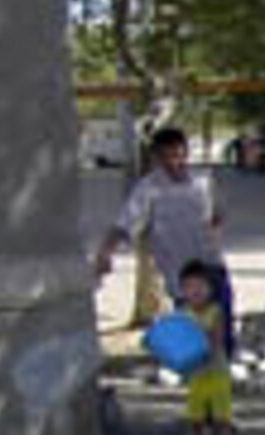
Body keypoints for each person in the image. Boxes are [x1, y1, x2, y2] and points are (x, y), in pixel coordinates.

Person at [95, 125, 230, 322]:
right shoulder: (148, 189)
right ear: (156, 157)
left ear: (186, 152)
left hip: (212, 265)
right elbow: (124, 224)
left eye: (178, 155)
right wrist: (105, 252)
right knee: (192, 335)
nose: (173, 162)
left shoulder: (203, 180)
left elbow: (217, 212)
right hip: (180, 275)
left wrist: (215, 231)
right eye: (165, 157)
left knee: (222, 328)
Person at [174, 260, 239, 435]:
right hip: (196, 376)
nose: (195, 292)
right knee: (195, 419)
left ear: (211, 289)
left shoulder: (215, 312)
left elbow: (216, 340)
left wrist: (198, 338)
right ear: (182, 291)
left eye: (200, 287)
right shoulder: (182, 314)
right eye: (189, 287)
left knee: (222, 418)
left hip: (216, 373)